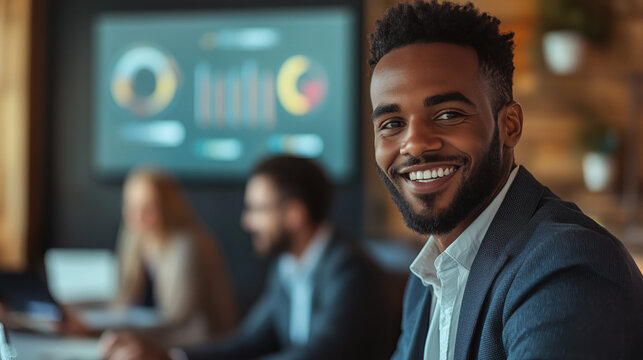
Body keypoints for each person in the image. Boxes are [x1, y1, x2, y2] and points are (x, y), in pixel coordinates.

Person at [368, 1, 643, 359]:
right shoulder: (428, 278)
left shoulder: (567, 263)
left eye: (448, 114)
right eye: (391, 124)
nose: (414, 143)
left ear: (509, 126)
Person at [100, 155, 392, 360]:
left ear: (294, 214)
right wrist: (170, 357)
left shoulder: (350, 271)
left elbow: (316, 356)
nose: (247, 222)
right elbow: (247, 343)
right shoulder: (288, 267)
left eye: (257, 209)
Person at [111, 168, 238, 346]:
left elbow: (176, 322)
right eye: (131, 207)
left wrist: (103, 332)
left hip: (198, 347)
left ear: (167, 207)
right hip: (158, 339)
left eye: (148, 208)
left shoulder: (187, 245)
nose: (138, 217)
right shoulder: (136, 238)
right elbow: (120, 299)